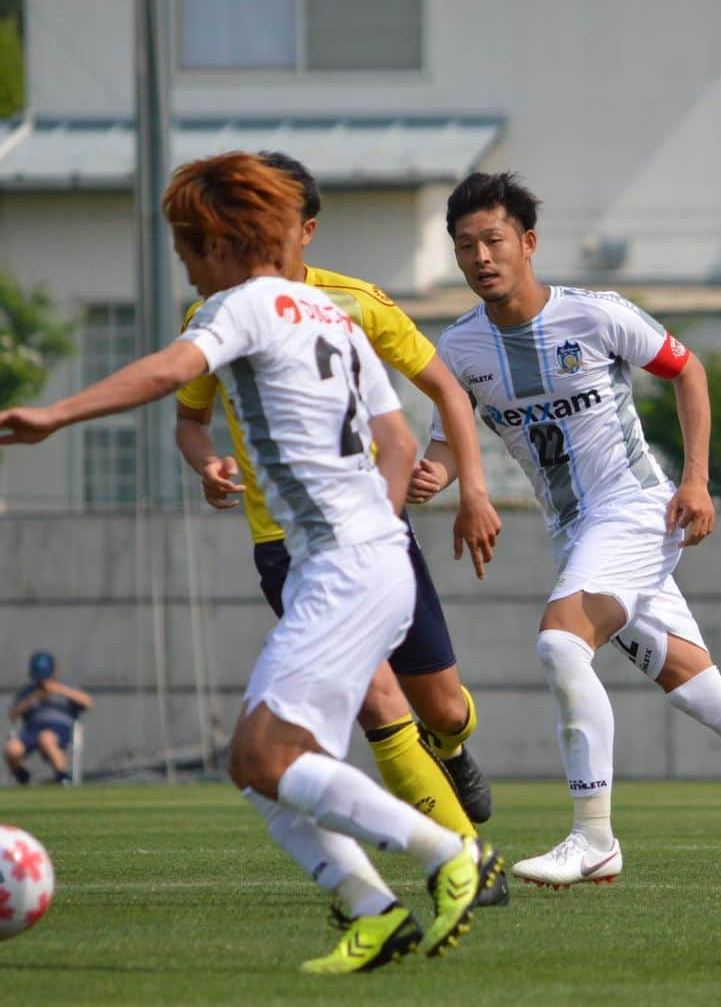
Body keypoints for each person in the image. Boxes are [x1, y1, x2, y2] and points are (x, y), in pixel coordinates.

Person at [0, 152, 502, 973]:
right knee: (253, 763)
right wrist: (364, 532)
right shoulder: (331, 313)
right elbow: (401, 440)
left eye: (191, 251)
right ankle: (372, 909)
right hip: (364, 558)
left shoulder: (239, 304)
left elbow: (171, 372)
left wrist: (56, 412)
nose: (189, 270)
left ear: (227, 243)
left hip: (341, 567)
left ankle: (450, 854)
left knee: (270, 758)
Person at [409, 171, 721, 887]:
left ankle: (593, 836)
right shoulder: (462, 350)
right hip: (575, 534)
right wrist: (431, 478)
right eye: (465, 245)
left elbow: (686, 371)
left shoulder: (596, 315)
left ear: (528, 243)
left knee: (559, 643)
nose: (480, 257)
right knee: (702, 692)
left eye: (493, 240)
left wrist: (695, 480)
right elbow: (450, 443)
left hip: (635, 510)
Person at [174, 152, 502, 850]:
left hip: (373, 538)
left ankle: (452, 753)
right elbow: (188, 417)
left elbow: (445, 392)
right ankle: (464, 863)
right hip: (285, 545)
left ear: (307, 229)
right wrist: (207, 465)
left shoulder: (354, 303)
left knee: (440, 707)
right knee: (377, 703)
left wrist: (465, 485)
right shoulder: (213, 312)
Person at [5, 651, 93, 786]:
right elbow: (12, 715)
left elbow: (87, 702)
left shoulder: (66, 686)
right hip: (32, 729)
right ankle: (22, 775)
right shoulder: (28, 691)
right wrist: (33, 698)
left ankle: (62, 777)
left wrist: (59, 690)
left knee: (46, 738)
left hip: (59, 728)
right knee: (12, 749)